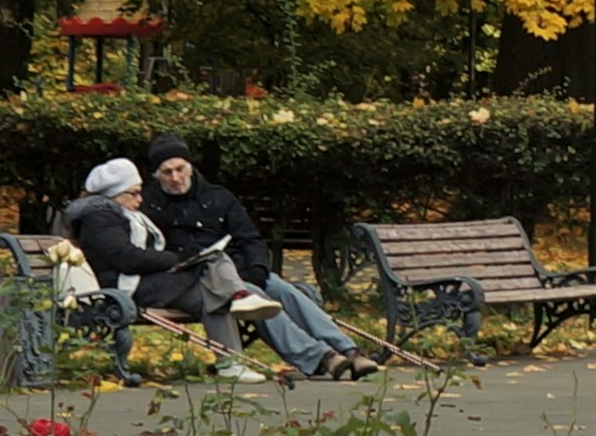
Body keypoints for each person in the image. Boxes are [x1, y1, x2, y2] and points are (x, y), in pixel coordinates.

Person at [143, 138, 382, 380]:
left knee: (282, 288)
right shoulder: (149, 205)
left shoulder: (218, 197)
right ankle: (321, 357)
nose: (175, 177)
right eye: (167, 172)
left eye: (180, 169)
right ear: (156, 175)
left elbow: (250, 238)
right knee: (256, 297)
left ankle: (349, 349)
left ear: (190, 167)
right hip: (204, 278)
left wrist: (257, 268)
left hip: (240, 269)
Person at [64, 158, 267, 382]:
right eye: (133, 193)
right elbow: (127, 259)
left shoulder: (122, 214)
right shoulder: (99, 218)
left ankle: (230, 363)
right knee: (213, 260)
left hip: (143, 281)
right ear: (115, 194)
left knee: (211, 296)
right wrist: (175, 259)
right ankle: (240, 295)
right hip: (123, 288)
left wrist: (178, 259)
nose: (140, 199)